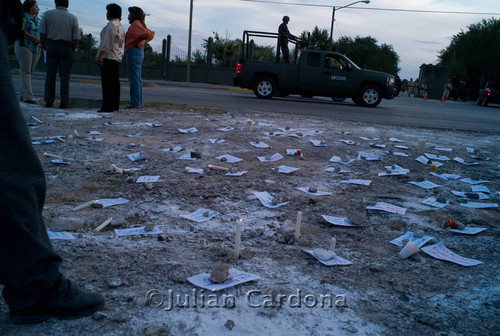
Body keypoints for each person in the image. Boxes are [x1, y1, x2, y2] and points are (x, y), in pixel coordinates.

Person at [1, 0, 104, 324]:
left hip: (49, 45)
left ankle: (48, 99)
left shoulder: (46, 17)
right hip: (61, 47)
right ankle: (34, 285)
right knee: (11, 155)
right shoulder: (70, 18)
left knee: (46, 78)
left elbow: (43, 36)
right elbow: (74, 39)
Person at [39, 0, 79, 108]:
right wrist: (72, 49)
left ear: (56, 3)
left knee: (50, 75)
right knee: (65, 76)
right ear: (67, 4)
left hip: (51, 44)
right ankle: (64, 102)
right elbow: (75, 38)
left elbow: (42, 33)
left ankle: (48, 101)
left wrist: (43, 47)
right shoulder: (73, 18)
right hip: (67, 46)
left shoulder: (47, 15)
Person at [96, 3, 125, 112]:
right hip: (116, 56)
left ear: (110, 13)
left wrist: (100, 56)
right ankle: (114, 105)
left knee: (107, 83)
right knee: (114, 83)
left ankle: (107, 106)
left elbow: (107, 43)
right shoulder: (120, 26)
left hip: (108, 56)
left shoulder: (111, 25)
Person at [124, 6, 154, 109]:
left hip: (134, 51)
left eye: (130, 13)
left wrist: (137, 40)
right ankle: (138, 103)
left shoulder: (135, 24)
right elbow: (149, 34)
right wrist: (140, 39)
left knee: (134, 79)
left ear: (134, 15)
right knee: (137, 79)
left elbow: (148, 34)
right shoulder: (139, 24)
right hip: (138, 51)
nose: (128, 15)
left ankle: (135, 103)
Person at [14, 0, 40, 104]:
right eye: (36, 6)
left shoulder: (36, 19)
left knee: (29, 71)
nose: (38, 8)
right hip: (24, 45)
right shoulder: (23, 17)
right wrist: (33, 38)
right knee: (26, 71)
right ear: (30, 8)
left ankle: (22, 95)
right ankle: (28, 97)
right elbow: (21, 30)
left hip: (36, 47)